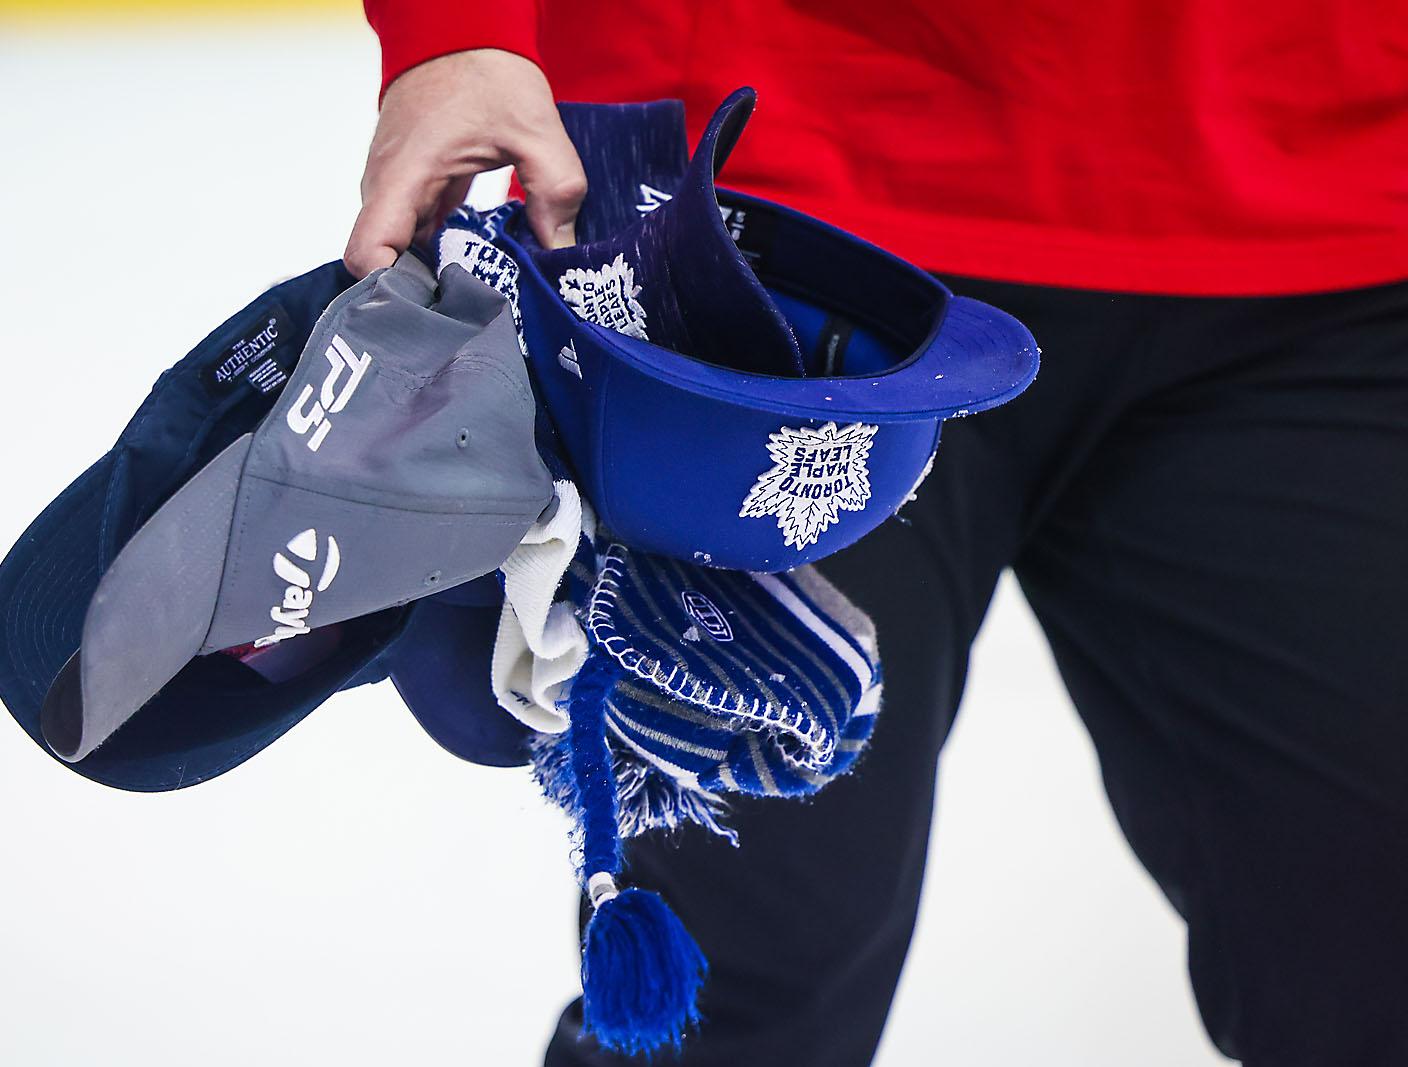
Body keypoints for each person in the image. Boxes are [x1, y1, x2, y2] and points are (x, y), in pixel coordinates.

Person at [346, 4, 1408, 1065]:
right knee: (741, 976)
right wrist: (457, 30)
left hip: (1321, 215)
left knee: (1372, 944)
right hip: (759, 236)